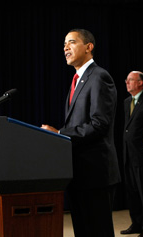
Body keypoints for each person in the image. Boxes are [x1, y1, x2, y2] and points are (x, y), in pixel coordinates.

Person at [41, 28, 120, 237]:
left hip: (96, 173)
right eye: (64, 44)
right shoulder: (78, 79)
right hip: (79, 171)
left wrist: (60, 133)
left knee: (97, 231)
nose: (65, 48)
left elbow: (99, 124)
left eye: (71, 42)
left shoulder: (100, 77)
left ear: (88, 47)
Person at [122, 70, 143, 237]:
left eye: (130, 80)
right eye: (127, 80)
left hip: (142, 155)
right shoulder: (126, 101)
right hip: (127, 155)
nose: (127, 83)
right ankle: (136, 223)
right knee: (132, 192)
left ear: (140, 83)